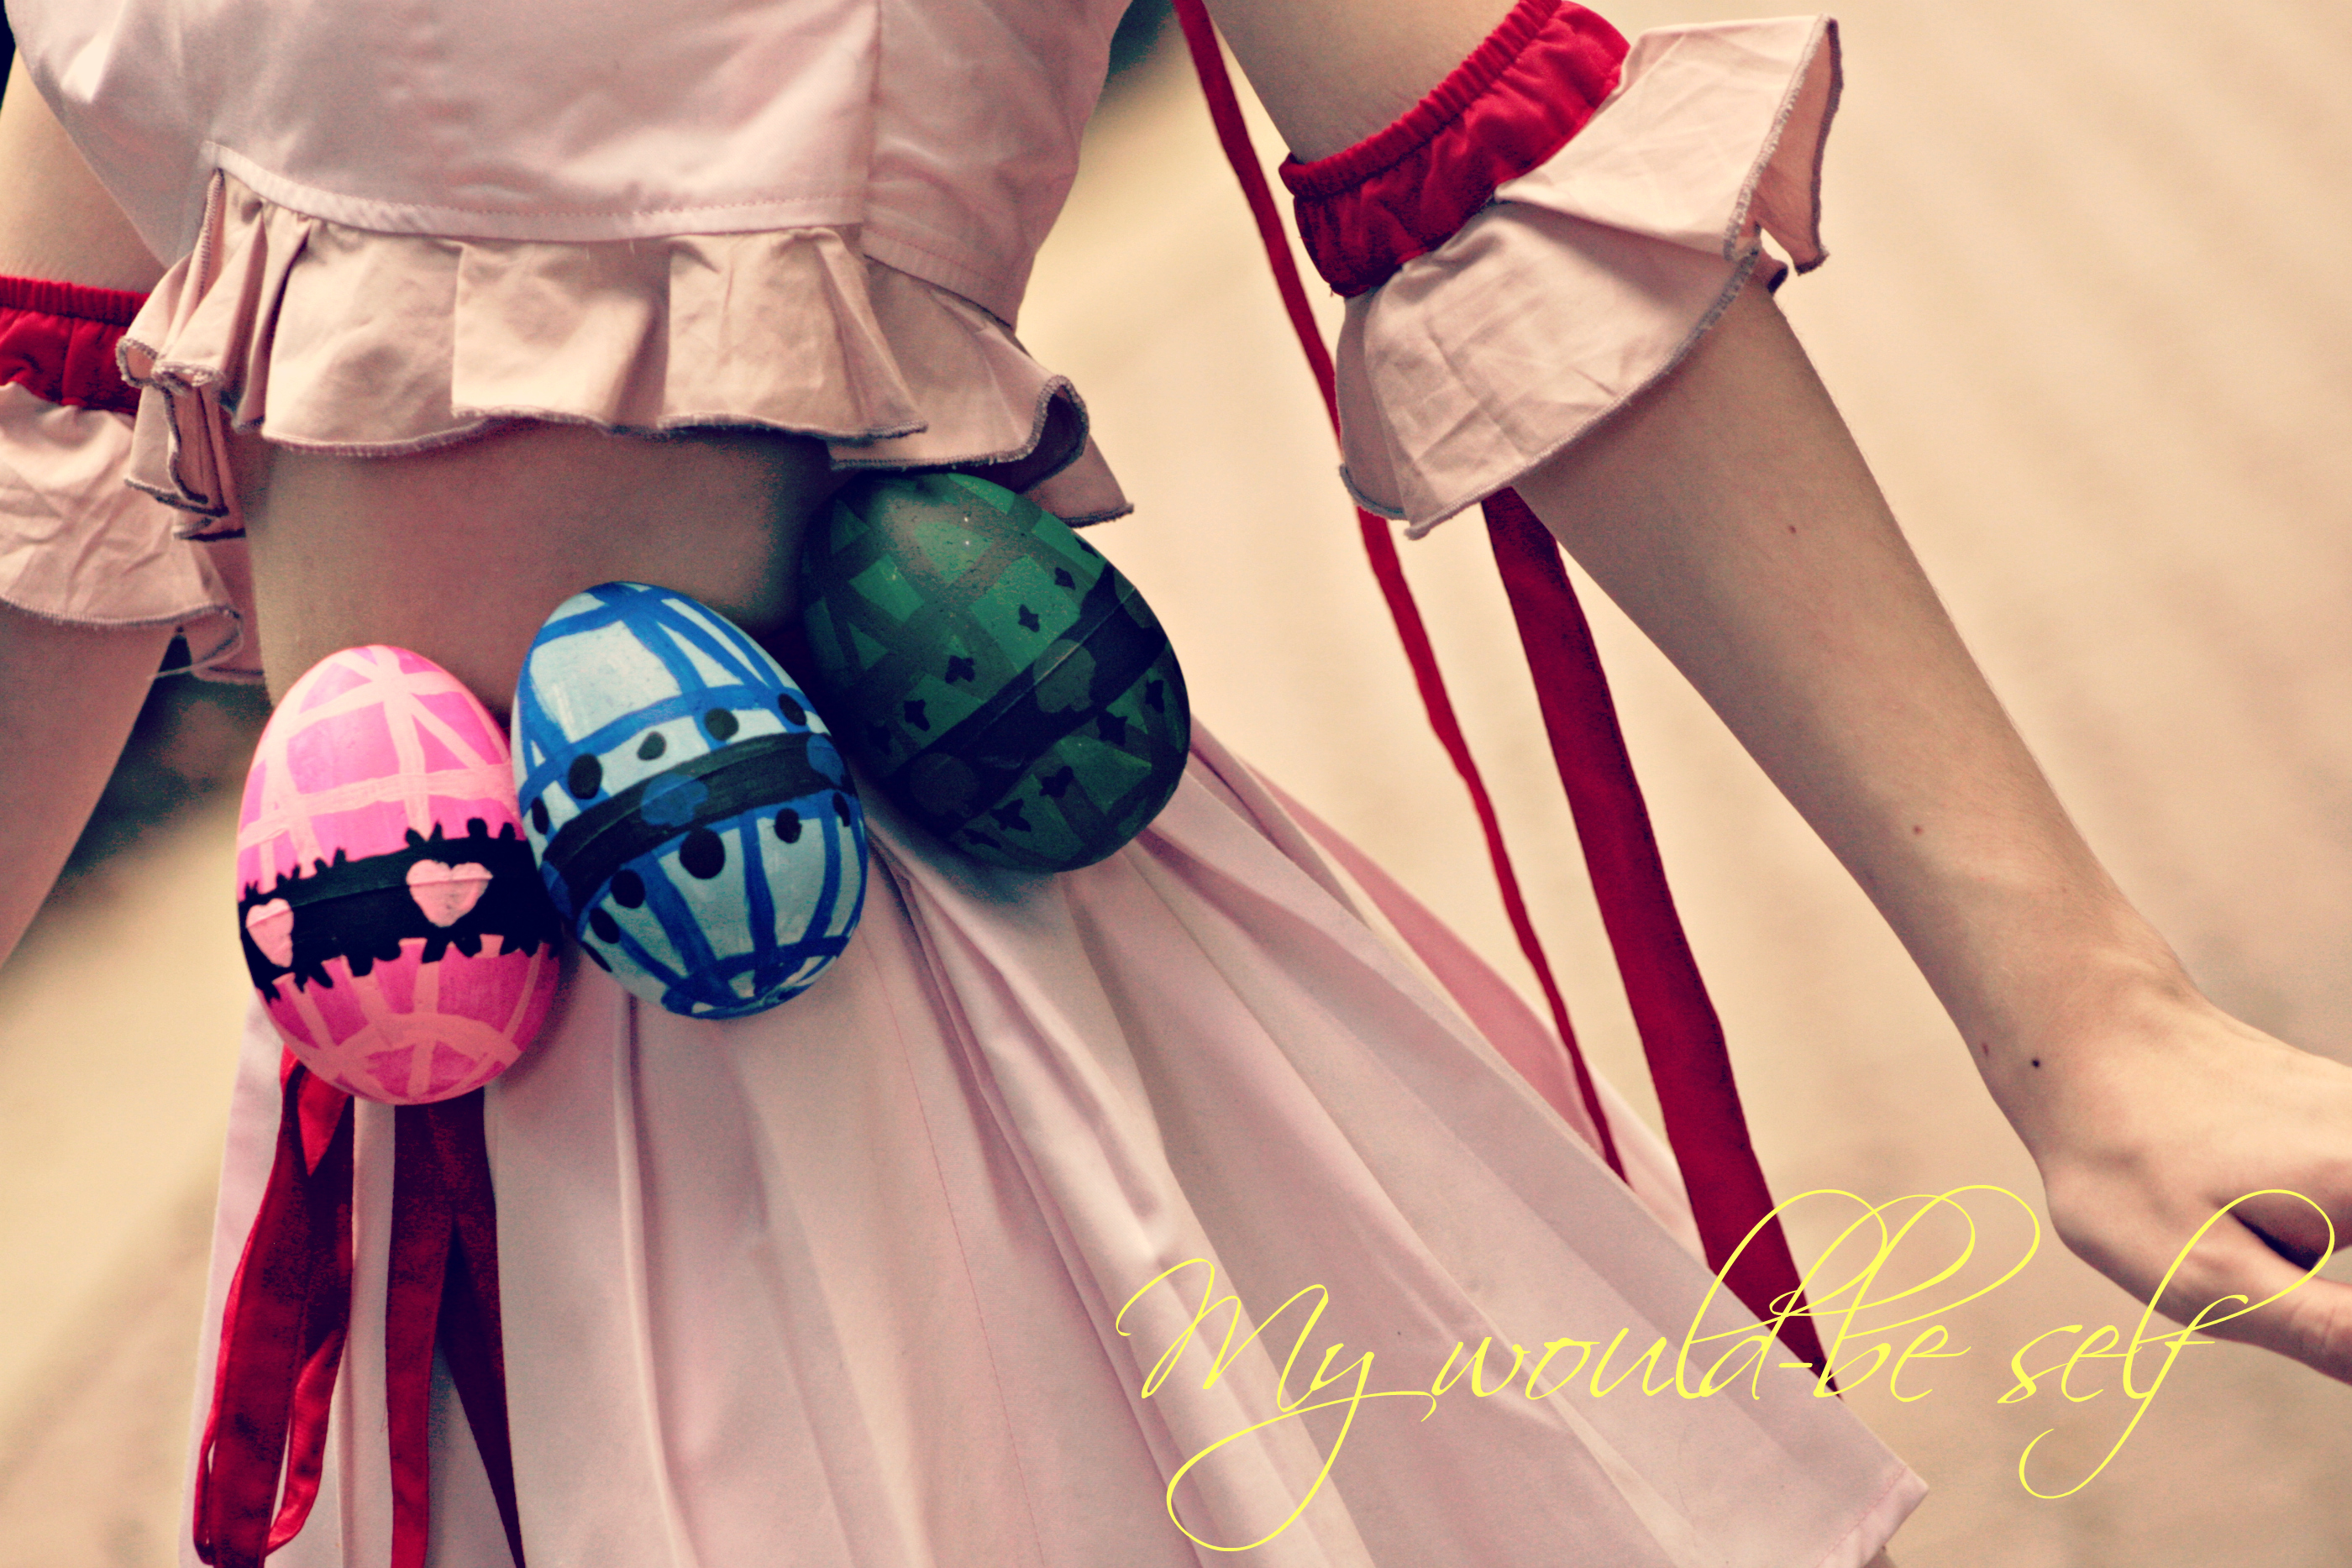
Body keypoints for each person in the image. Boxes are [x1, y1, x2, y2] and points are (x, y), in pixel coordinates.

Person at [3, 0, 2349, 1563]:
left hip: (920, 1096)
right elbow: (43, 459)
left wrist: (2090, 1017)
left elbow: (1506, 191)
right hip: (402, 1144)